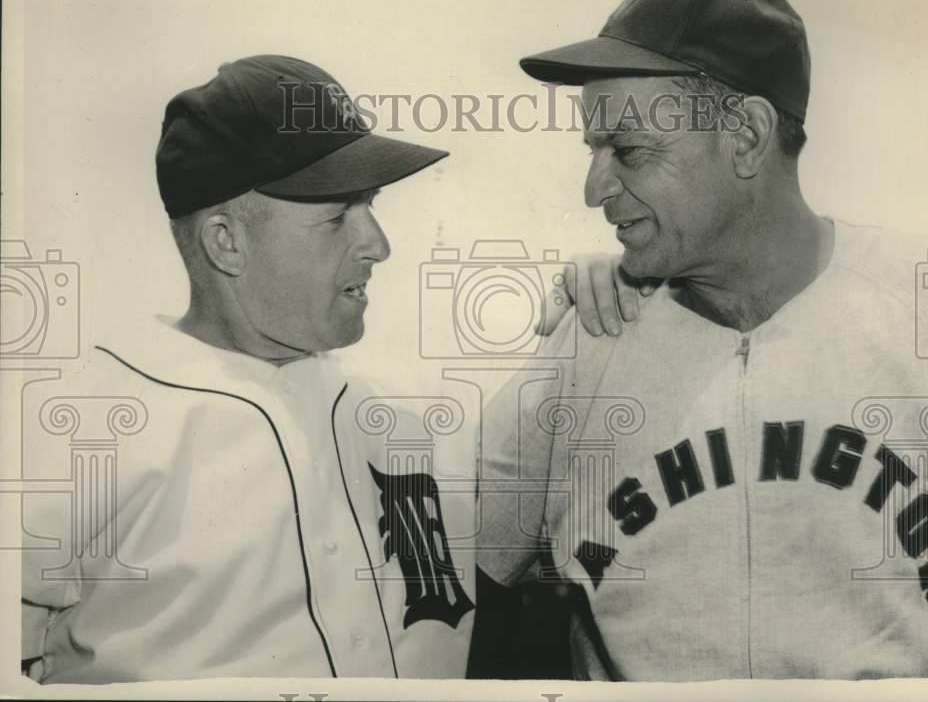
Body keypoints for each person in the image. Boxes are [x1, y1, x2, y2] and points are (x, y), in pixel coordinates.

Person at [19, 54, 632, 682]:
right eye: (337, 216)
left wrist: (628, 293)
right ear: (227, 241)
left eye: (369, 205)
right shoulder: (72, 432)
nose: (379, 244)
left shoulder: (421, 413)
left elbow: (556, 511)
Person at [474, 0, 928, 681]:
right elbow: (449, 579)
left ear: (744, 135)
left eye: (628, 149)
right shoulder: (590, 339)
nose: (593, 189)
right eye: (592, 150)